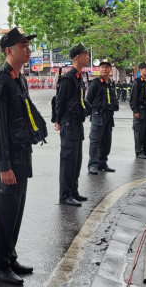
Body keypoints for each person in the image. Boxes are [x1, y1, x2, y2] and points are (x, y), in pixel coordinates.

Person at [0, 27, 45, 285]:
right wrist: (4, 166)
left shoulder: (17, 79)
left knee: (15, 210)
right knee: (2, 211)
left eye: (28, 45)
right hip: (6, 161)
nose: (28, 49)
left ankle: (9, 256)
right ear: (9, 51)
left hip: (21, 155)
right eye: (23, 45)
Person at [54, 43, 90, 207]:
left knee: (76, 160)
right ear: (77, 57)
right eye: (85, 54)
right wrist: (58, 120)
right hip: (69, 125)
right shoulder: (68, 78)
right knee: (68, 160)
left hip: (77, 124)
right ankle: (65, 195)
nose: (87, 57)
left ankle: (73, 191)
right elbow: (60, 101)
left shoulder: (78, 77)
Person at [85, 59, 119, 175]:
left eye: (107, 67)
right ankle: (92, 164)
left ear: (110, 69)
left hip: (109, 116)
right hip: (98, 115)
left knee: (106, 141)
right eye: (102, 67)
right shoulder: (95, 83)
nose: (104, 69)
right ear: (98, 69)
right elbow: (88, 101)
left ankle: (102, 162)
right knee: (95, 141)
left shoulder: (111, 83)